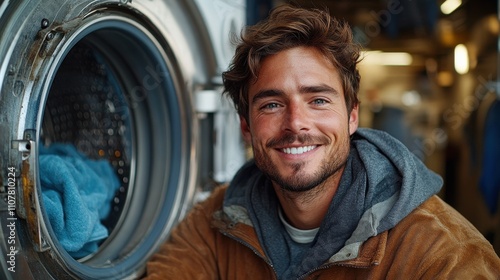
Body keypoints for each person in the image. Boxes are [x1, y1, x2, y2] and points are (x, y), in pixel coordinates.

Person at [145, 4, 500, 279]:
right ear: (246, 128)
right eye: (271, 104)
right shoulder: (216, 221)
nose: (296, 123)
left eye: (318, 100)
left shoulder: (443, 252)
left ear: (352, 117)